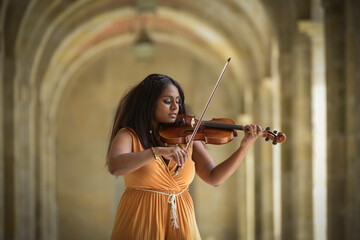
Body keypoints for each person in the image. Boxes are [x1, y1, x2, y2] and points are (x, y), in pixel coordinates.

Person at [107, 73, 262, 239]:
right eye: (167, 101)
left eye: (178, 101)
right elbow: (115, 166)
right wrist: (157, 151)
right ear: (149, 103)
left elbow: (214, 177)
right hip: (139, 223)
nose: (175, 107)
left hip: (183, 224)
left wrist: (244, 147)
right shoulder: (129, 136)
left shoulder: (188, 137)